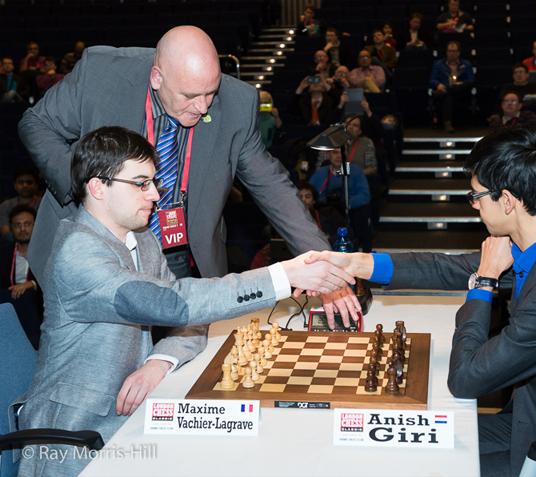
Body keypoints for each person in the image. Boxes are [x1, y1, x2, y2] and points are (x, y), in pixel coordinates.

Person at [15, 126, 357, 477]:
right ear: (98, 186)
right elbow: (176, 304)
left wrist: (159, 361)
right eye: (141, 183)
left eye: (153, 182)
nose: (155, 195)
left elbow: (191, 318)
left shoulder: (143, 238)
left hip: (130, 419)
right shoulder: (78, 253)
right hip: (73, 436)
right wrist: (283, 276)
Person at [307, 128, 536, 476]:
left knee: (428, 467)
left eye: (476, 195)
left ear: (508, 200)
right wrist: (357, 263)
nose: (474, 204)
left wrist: (483, 283)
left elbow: (466, 379)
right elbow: (449, 267)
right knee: (409, 447)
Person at [17, 26, 361, 320]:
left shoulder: (237, 103)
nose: (203, 106)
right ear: (157, 77)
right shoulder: (102, 73)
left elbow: (273, 187)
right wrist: (86, 194)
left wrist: (327, 265)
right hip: (89, 251)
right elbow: (36, 124)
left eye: (210, 93)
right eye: (191, 96)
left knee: (178, 358)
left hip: (175, 254)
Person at [309, 148, 372, 252]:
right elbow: (309, 191)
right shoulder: (321, 173)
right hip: (327, 213)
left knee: (361, 212)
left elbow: (364, 195)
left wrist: (347, 203)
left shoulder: (354, 170)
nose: (338, 156)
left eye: (341, 153)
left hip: (350, 211)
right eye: (334, 153)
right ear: (329, 155)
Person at [0, 205, 42, 349]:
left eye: (27, 224)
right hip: (10, 304)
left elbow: (51, 281)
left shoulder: (46, 252)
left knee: (28, 295)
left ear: (36, 225)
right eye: (18, 225)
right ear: (11, 228)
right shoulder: (4, 253)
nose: (23, 229)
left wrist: (30, 284)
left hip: (38, 305)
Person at [430, 40, 475, 132]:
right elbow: (432, 80)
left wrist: (460, 83)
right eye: (449, 51)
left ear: (458, 52)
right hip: (443, 89)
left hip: (460, 90)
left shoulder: (466, 64)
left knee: (450, 92)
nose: (451, 53)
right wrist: (438, 84)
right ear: (446, 52)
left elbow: (471, 80)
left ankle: (447, 122)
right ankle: (448, 123)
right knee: (448, 96)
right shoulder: (438, 64)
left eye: (454, 51)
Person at [0, 166, 41, 237]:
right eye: (21, 182)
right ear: (15, 185)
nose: (25, 185)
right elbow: (5, 232)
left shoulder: (44, 204)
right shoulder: (5, 206)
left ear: (36, 185)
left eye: (29, 182)